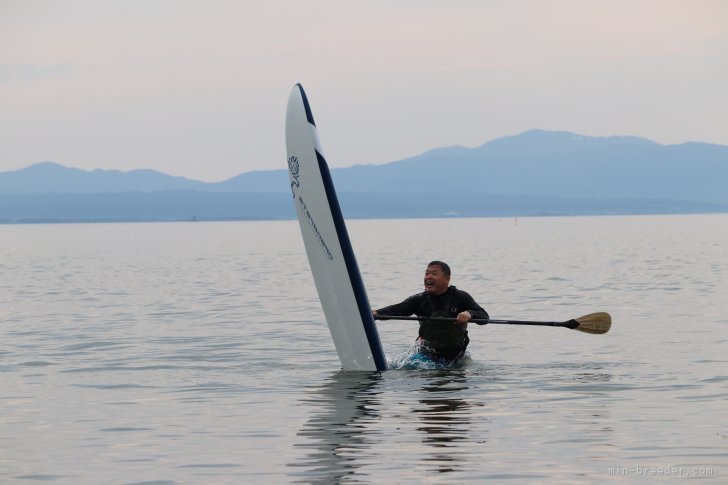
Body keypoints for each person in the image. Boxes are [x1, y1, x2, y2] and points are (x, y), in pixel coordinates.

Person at [373, 261, 489, 361]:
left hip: (455, 354)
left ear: (447, 279)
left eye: (434, 273)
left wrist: (469, 313)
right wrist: (375, 313)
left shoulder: (460, 297)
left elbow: (484, 317)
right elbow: (396, 310)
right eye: (426, 273)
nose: (428, 277)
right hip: (426, 355)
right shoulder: (418, 300)